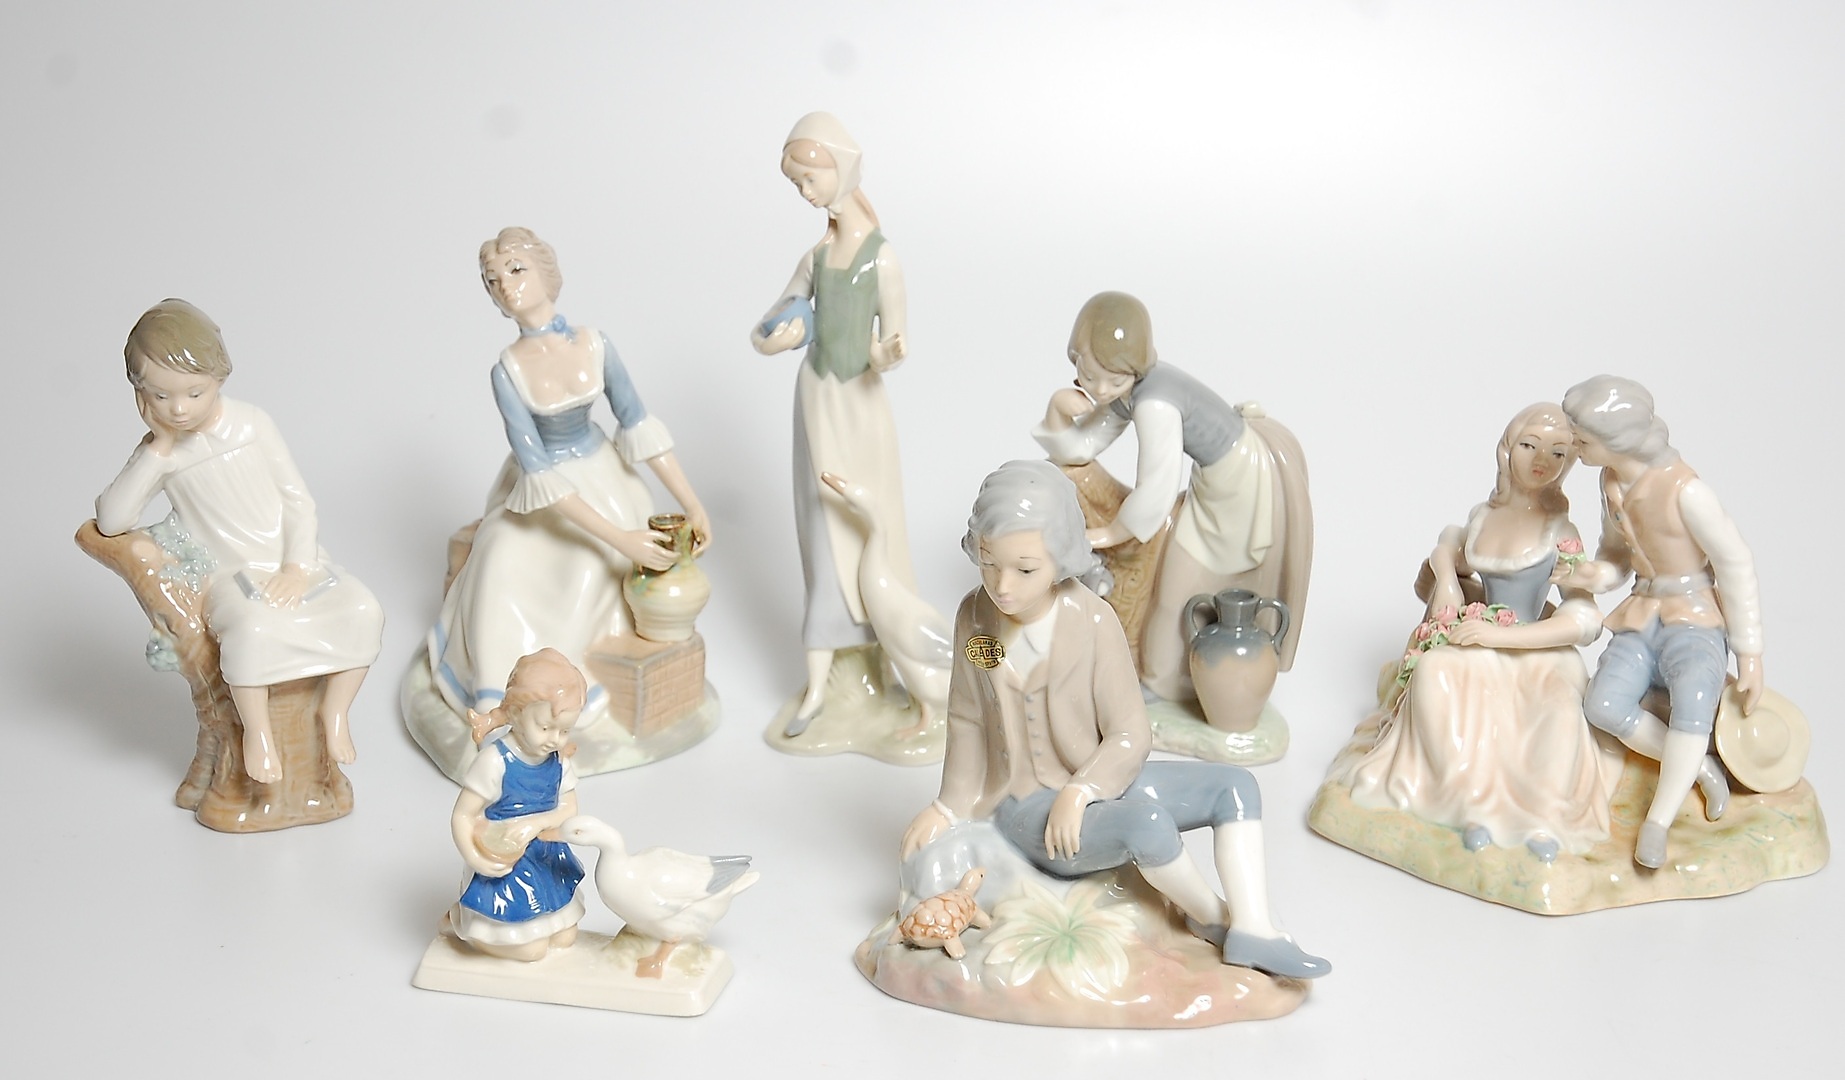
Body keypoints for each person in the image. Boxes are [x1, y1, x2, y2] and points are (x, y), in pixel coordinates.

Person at [900, 460, 1327, 979]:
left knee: (1236, 787)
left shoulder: (1093, 620)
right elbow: (968, 717)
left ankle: (1256, 928)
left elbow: (1130, 732)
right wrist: (947, 805)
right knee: (1147, 826)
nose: (1002, 585)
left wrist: (1082, 790)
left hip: (1095, 782)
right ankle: (1215, 920)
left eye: (1025, 569)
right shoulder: (975, 619)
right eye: (989, 564)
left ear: (1060, 557)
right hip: (1024, 804)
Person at [429, 227, 711, 725]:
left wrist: (693, 503)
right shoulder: (506, 371)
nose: (506, 285)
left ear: (546, 272)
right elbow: (536, 468)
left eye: (517, 270)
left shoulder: (595, 344)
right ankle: (501, 697)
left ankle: (573, 686)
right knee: (499, 555)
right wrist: (622, 539)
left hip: (603, 475)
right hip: (543, 492)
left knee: (593, 568)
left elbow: (637, 422)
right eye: (493, 280)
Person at [96, 298, 383, 784]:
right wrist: (158, 448)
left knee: (363, 609)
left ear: (218, 379)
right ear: (140, 395)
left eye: (194, 392)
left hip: (291, 560)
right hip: (229, 576)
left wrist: (296, 567)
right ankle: (258, 733)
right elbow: (111, 518)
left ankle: (334, 713)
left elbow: (298, 501)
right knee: (250, 631)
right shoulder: (162, 454)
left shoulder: (252, 424)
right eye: (161, 396)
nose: (179, 409)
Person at [1337, 404, 1624, 860]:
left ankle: (1542, 816)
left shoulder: (1560, 532)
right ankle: (1465, 802)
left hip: (1535, 649)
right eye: (1529, 445)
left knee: (1555, 709)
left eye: (1557, 452)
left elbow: (1585, 619)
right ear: (1507, 448)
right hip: (1478, 636)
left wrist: (1503, 638)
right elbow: (1448, 557)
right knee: (1435, 674)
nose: (1541, 460)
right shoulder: (1483, 518)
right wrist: (1446, 575)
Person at [1033, 291, 1311, 701]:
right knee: (1173, 580)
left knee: (1175, 582)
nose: (1101, 389)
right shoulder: (1126, 390)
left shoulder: (1154, 403)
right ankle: (1165, 676)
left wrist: (1113, 532)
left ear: (1136, 366)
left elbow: (1158, 485)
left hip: (1238, 489)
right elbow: (1083, 447)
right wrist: (1058, 411)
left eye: (1113, 380)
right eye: (1089, 377)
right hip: (1216, 481)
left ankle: (1162, 682)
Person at [750, 112, 915, 735]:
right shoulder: (816, 256)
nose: (805, 191)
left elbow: (895, 343)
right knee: (821, 531)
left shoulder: (883, 260)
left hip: (861, 410)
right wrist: (779, 337)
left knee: (875, 524)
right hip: (817, 402)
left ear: (840, 169)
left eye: (809, 177)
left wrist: (884, 354)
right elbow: (767, 325)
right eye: (796, 182)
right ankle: (818, 681)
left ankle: (894, 660)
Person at [1561, 376, 1752, 868]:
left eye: (1582, 439)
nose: (1574, 446)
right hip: (1642, 612)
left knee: (1694, 698)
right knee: (1602, 705)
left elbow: (1733, 561)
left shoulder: (1687, 490)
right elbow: (1616, 554)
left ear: (1618, 439)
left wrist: (1750, 653)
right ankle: (1699, 768)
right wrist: (1593, 574)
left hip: (1694, 615)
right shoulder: (1610, 482)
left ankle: (1658, 823)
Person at [446, 649, 587, 962]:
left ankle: (536, 928)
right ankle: (462, 924)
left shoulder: (558, 762)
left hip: (546, 855)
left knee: (565, 938)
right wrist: (475, 858)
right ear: (516, 713)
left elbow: (569, 808)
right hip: (507, 862)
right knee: (531, 951)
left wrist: (535, 824)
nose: (555, 739)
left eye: (564, 730)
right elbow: (463, 815)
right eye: (545, 727)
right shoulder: (495, 761)